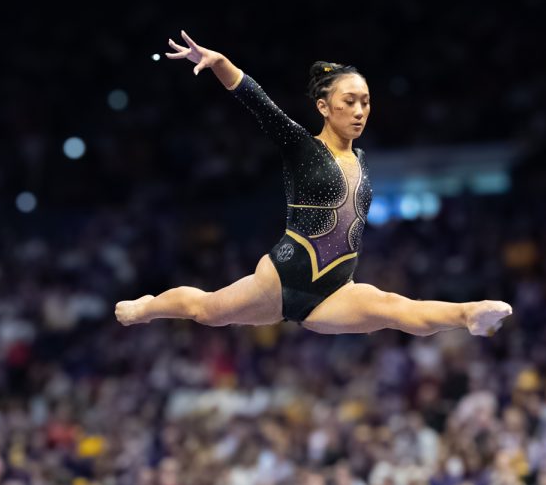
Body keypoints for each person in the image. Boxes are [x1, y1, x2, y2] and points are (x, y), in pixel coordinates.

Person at [115, 31, 513, 337]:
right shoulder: (303, 147)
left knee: (394, 308)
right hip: (283, 277)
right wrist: (220, 63)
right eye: (349, 102)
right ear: (324, 107)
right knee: (206, 311)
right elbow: (259, 104)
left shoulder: (360, 160)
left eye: (366, 101)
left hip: (337, 290)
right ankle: (148, 306)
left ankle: (469, 315)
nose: (359, 111)